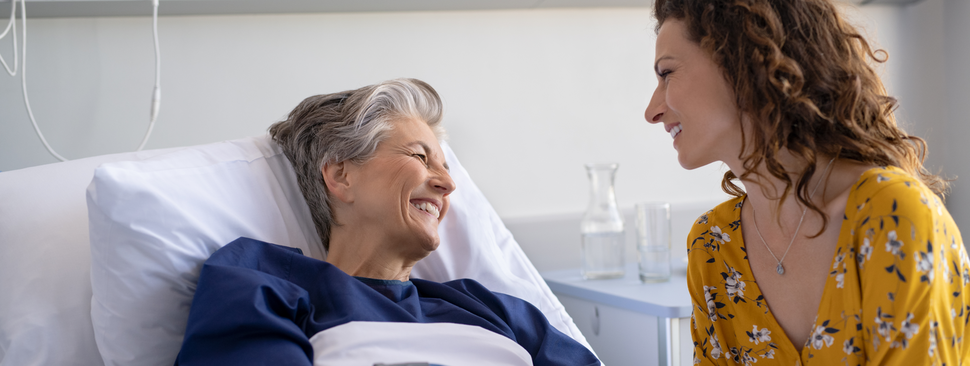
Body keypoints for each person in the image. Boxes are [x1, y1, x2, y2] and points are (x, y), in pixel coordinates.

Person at [173, 79, 600, 365]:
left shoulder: (493, 310)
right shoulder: (261, 280)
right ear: (341, 174)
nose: (448, 183)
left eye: (447, 167)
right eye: (420, 156)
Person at [644, 0, 970, 364]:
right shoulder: (713, 245)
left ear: (741, 60)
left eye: (666, 73)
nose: (651, 111)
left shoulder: (894, 218)